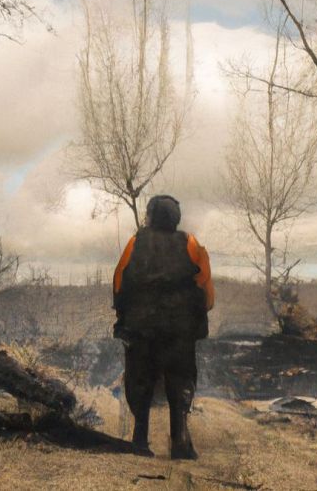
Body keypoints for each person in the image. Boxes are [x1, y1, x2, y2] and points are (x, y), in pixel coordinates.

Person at [112, 195, 214, 459]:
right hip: (179, 330)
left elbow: (119, 280)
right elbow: (205, 284)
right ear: (175, 217)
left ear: (150, 215)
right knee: (180, 381)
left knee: (140, 380)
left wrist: (123, 315)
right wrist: (200, 313)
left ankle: (139, 440)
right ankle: (180, 442)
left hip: (141, 328)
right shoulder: (190, 243)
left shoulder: (136, 242)